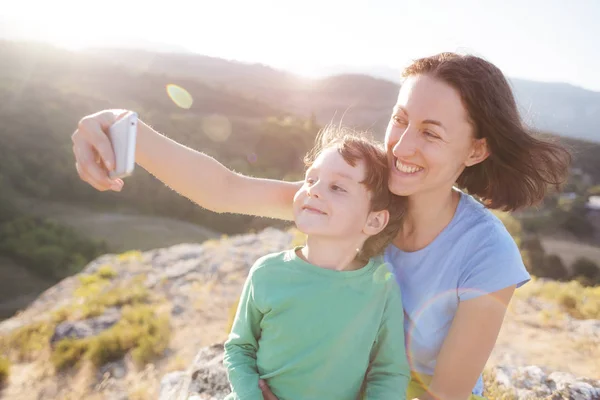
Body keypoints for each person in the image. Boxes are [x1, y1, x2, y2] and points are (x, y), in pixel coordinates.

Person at [71, 52, 571, 399]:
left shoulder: (487, 253)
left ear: (477, 149)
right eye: (399, 120)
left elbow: (447, 394)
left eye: (431, 133)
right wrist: (123, 125)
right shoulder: (359, 193)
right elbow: (223, 189)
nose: (400, 146)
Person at [223, 127, 410, 399]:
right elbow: (239, 348)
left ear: (373, 221)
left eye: (336, 187)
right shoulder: (268, 272)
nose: (314, 191)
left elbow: (388, 371)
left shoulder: (381, 288)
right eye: (310, 180)